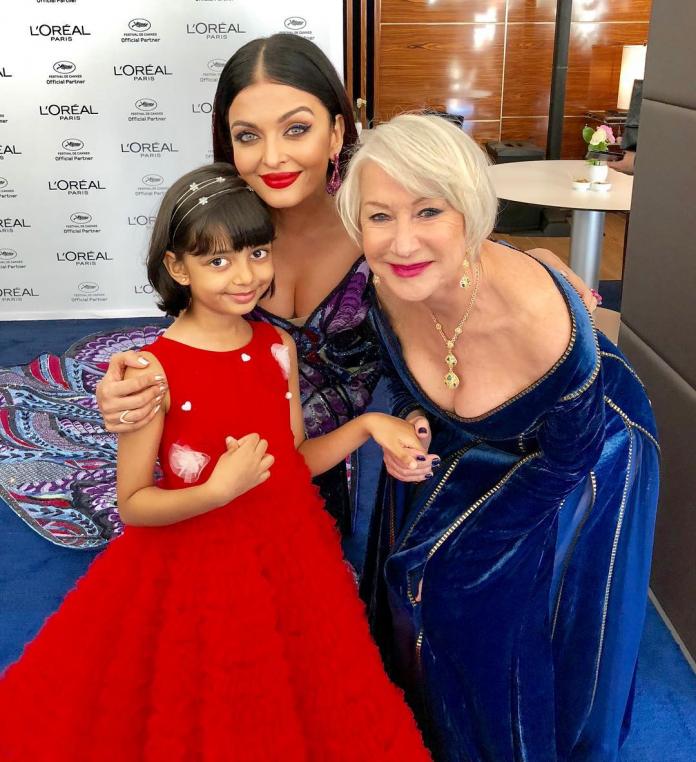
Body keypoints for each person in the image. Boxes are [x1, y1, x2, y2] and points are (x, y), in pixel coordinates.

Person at [94, 33, 595, 549]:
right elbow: (194, 337)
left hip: (348, 469)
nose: (272, 157)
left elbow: (455, 253)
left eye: (296, 129)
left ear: (335, 134)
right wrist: (131, 393)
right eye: (248, 136)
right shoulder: (224, 234)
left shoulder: (379, 228)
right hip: (223, 469)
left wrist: (533, 263)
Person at [0, 163, 432, 761]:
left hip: (292, 552)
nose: (246, 275)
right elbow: (133, 504)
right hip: (197, 565)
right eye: (218, 260)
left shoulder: (275, 348)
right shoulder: (153, 369)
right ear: (178, 267)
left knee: (311, 685)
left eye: (257, 252)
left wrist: (367, 425)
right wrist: (217, 491)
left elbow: (292, 460)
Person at [336, 114, 660, 762]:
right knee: (417, 576)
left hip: (585, 451)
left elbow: (570, 454)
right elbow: (406, 378)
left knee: (470, 602)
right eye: (379, 217)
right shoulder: (384, 284)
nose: (401, 242)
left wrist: (466, 558)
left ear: (472, 215)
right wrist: (415, 420)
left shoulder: (536, 320)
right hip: (472, 444)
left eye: (429, 211)